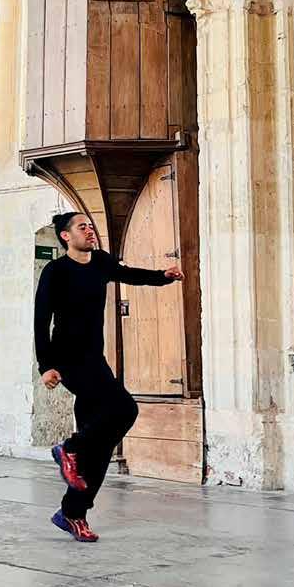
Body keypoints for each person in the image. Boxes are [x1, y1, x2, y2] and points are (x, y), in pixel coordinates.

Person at [35, 211, 182, 542]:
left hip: (95, 360)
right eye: (82, 227)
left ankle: (72, 512)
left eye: (90, 226)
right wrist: (46, 366)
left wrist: (163, 276)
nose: (90, 231)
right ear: (65, 236)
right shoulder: (55, 272)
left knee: (100, 446)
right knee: (125, 409)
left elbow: (129, 275)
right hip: (68, 360)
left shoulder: (100, 262)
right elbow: (40, 320)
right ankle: (69, 448)